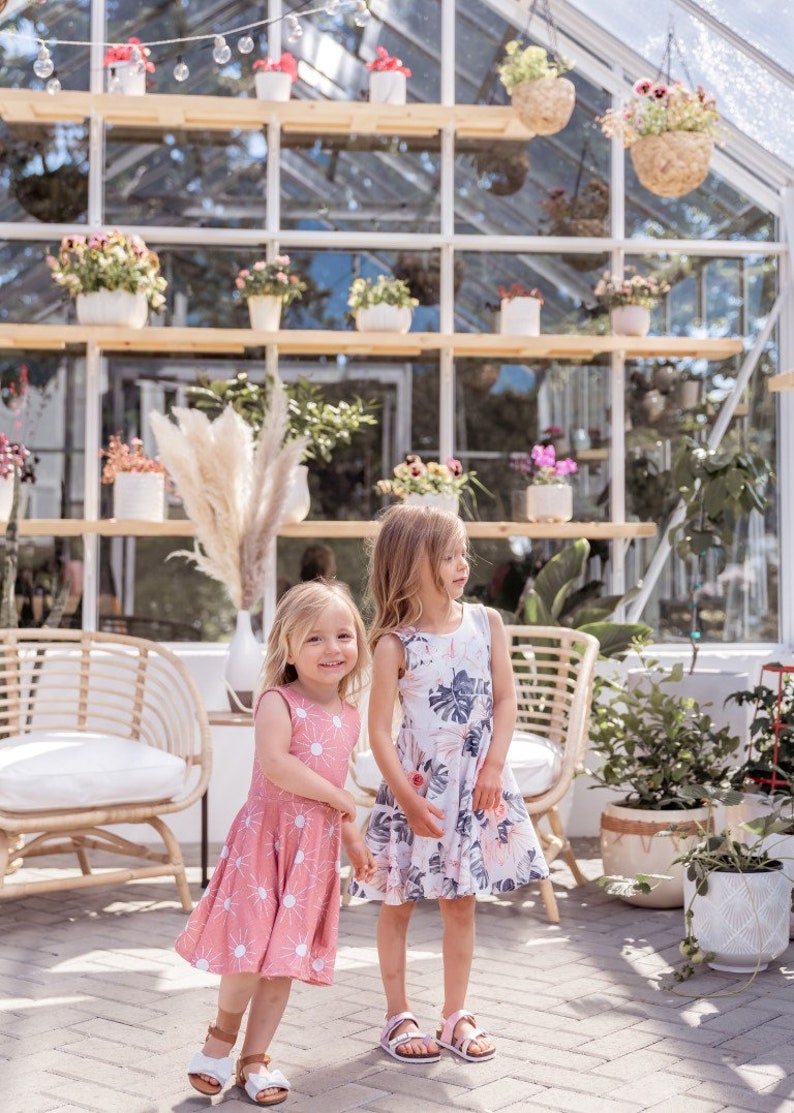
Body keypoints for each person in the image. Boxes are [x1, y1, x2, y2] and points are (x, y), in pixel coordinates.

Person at [348, 504, 549, 1065]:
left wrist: (492, 766)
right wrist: (407, 801)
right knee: (400, 902)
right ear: (412, 563)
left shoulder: (487, 624)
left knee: (461, 903)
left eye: (464, 553)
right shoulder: (394, 644)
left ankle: (455, 1015)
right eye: (448, 556)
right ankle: (397, 1014)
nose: (463, 565)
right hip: (416, 791)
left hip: (474, 786)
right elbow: (380, 734)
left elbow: (506, 700)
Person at [176, 580, 375, 1106]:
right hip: (264, 848)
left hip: (313, 858)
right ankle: (218, 1043)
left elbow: (338, 794)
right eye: (314, 639)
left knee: (281, 962)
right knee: (245, 955)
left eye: (344, 635)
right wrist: (343, 798)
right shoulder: (277, 701)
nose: (333, 649)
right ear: (287, 648)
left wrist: (351, 836)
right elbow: (277, 765)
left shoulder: (350, 717)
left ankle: (255, 1058)